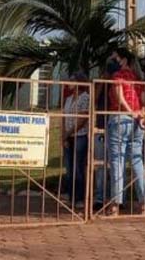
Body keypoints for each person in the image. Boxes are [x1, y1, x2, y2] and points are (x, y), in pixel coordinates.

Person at [105, 46, 145, 216]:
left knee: (117, 162)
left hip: (120, 119)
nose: (113, 60)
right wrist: (142, 115)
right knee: (137, 161)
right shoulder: (138, 79)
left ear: (124, 60)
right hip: (137, 122)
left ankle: (115, 205)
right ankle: (143, 204)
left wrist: (131, 112)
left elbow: (119, 97)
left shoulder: (118, 76)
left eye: (115, 57)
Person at [62, 72, 90, 208]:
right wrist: (64, 135)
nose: (69, 82)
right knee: (69, 168)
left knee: (78, 167)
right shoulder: (68, 99)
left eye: (72, 80)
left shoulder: (85, 98)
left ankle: (79, 198)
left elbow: (82, 119)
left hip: (80, 136)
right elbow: (64, 118)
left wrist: (69, 133)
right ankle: (71, 197)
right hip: (68, 136)